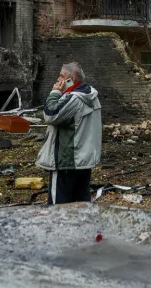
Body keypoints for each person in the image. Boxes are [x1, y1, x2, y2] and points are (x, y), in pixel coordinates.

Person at [36, 62, 102, 204]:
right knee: (81, 205)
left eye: (61, 76)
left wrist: (55, 93)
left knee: (57, 208)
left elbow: (50, 115)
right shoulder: (91, 96)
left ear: (71, 80)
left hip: (67, 160)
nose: (58, 80)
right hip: (83, 161)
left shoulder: (73, 98)